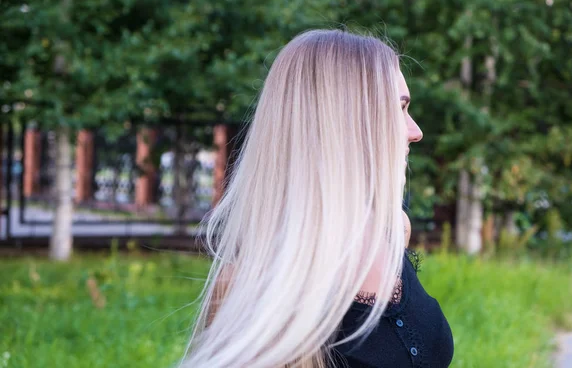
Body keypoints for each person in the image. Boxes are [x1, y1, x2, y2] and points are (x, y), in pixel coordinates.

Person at [179, 29, 454, 368]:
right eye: (398, 109)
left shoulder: (394, 228)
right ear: (343, 123)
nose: (415, 131)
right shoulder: (252, 288)